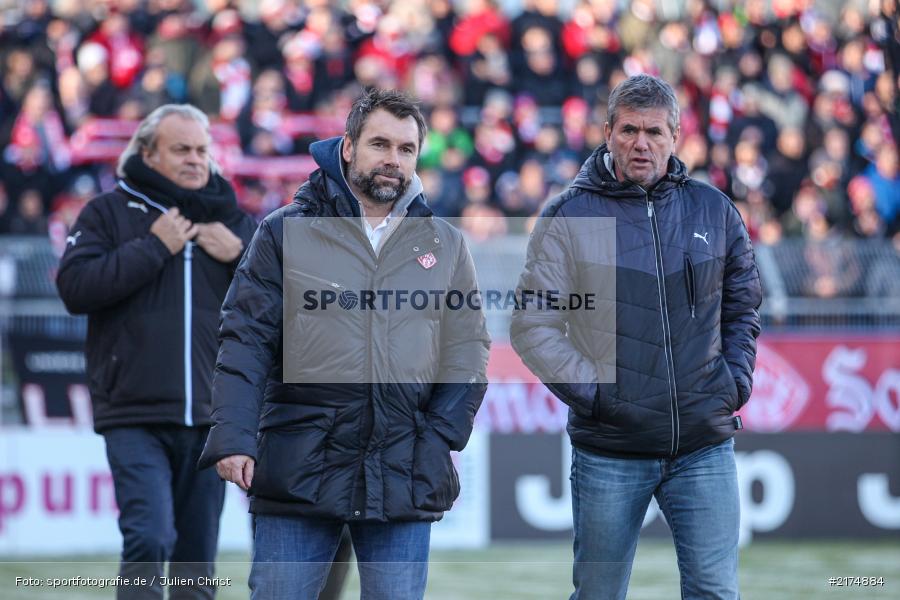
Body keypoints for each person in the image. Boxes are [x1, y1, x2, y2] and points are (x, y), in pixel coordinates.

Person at [198, 87, 490, 600]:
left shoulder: (445, 244)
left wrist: (438, 436)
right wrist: (235, 436)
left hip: (403, 466)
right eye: (380, 144)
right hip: (298, 461)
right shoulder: (283, 232)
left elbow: (467, 352)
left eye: (405, 149)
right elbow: (246, 341)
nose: (392, 160)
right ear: (349, 146)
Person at [510, 74, 762, 600]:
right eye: (628, 130)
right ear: (607, 133)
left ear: (675, 136)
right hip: (612, 448)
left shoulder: (713, 210)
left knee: (716, 593)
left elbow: (743, 307)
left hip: (703, 444)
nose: (640, 143)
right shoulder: (570, 214)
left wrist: (732, 383)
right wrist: (601, 397)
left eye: (653, 132)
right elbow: (534, 324)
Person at [56, 104, 257, 600]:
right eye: (181, 149)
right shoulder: (107, 211)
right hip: (134, 412)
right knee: (148, 537)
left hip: (211, 421)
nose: (195, 160)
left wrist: (242, 256)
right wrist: (153, 246)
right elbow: (75, 287)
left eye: (202, 150)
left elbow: (286, 302)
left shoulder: (234, 219)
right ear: (148, 153)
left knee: (195, 565)